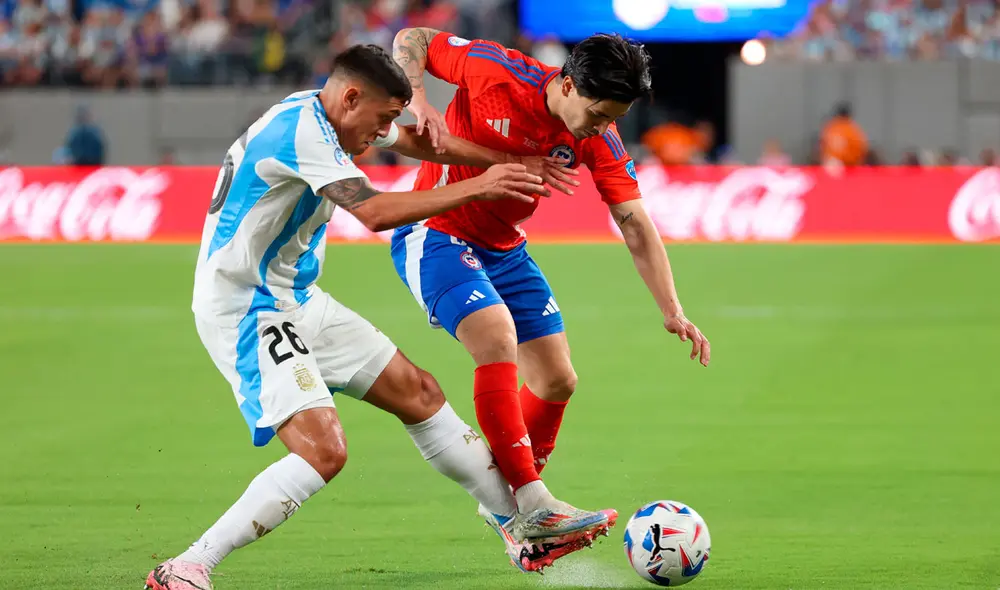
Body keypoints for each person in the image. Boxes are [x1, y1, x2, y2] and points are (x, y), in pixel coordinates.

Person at [145, 44, 603, 590]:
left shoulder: (331, 112)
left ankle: (518, 524)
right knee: (324, 451)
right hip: (246, 306)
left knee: (420, 394)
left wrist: (504, 163)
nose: (383, 132)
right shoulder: (303, 134)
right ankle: (189, 565)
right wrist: (481, 184)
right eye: (382, 118)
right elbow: (374, 212)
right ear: (351, 96)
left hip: (296, 295)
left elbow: (414, 141)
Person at [389, 28, 711, 552]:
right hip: (438, 230)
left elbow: (632, 220)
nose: (604, 127)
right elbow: (415, 37)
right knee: (495, 336)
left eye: (614, 119)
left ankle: (514, 515)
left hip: (505, 248)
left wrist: (673, 310)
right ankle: (533, 505)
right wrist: (421, 100)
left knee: (557, 379)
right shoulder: (497, 71)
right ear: (566, 85)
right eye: (600, 113)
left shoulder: (595, 138)